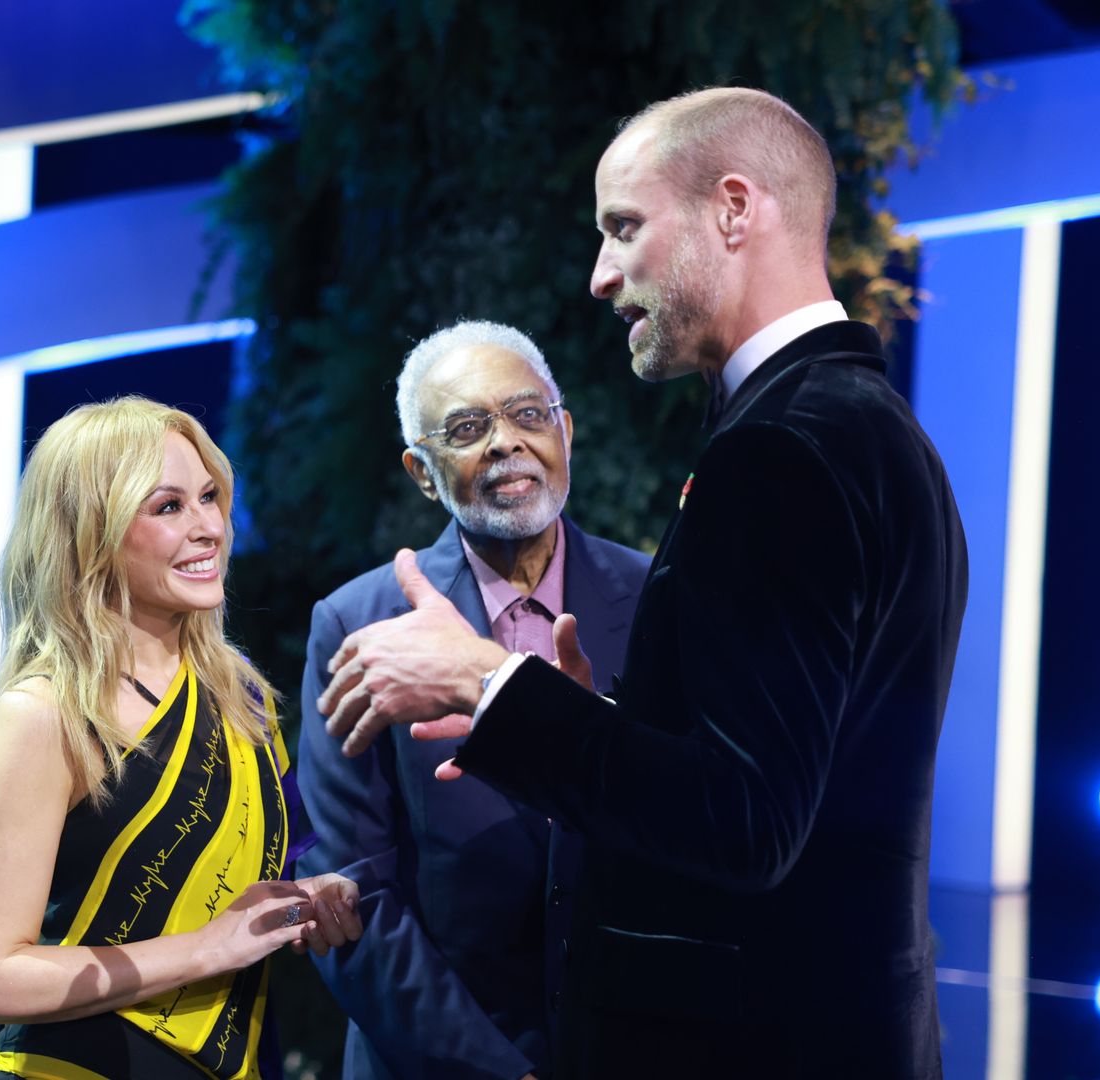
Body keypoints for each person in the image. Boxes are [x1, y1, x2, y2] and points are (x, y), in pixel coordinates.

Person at [318, 87, 969, 1078]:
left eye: (623, 227)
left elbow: (745, 824)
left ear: (735, 209)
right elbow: (788, 776)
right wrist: (600, 723)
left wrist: (486, 682)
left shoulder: (778, 451)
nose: (600, 274)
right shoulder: (865, 426)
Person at [0, 397, 363, 1079]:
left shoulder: (245, 700)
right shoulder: (46, 711)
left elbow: (239, 878)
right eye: (168, 507)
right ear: (91, 533)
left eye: (209, 497)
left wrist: (307, 897)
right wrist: (207, 948)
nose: (209, 528)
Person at [296, 320, 647, 1079]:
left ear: (565, 433)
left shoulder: (656, 599)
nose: (505, 442)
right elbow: (349, 893)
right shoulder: (358, 625)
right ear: (423, 473)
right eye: (466, 428)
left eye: (528, 415)